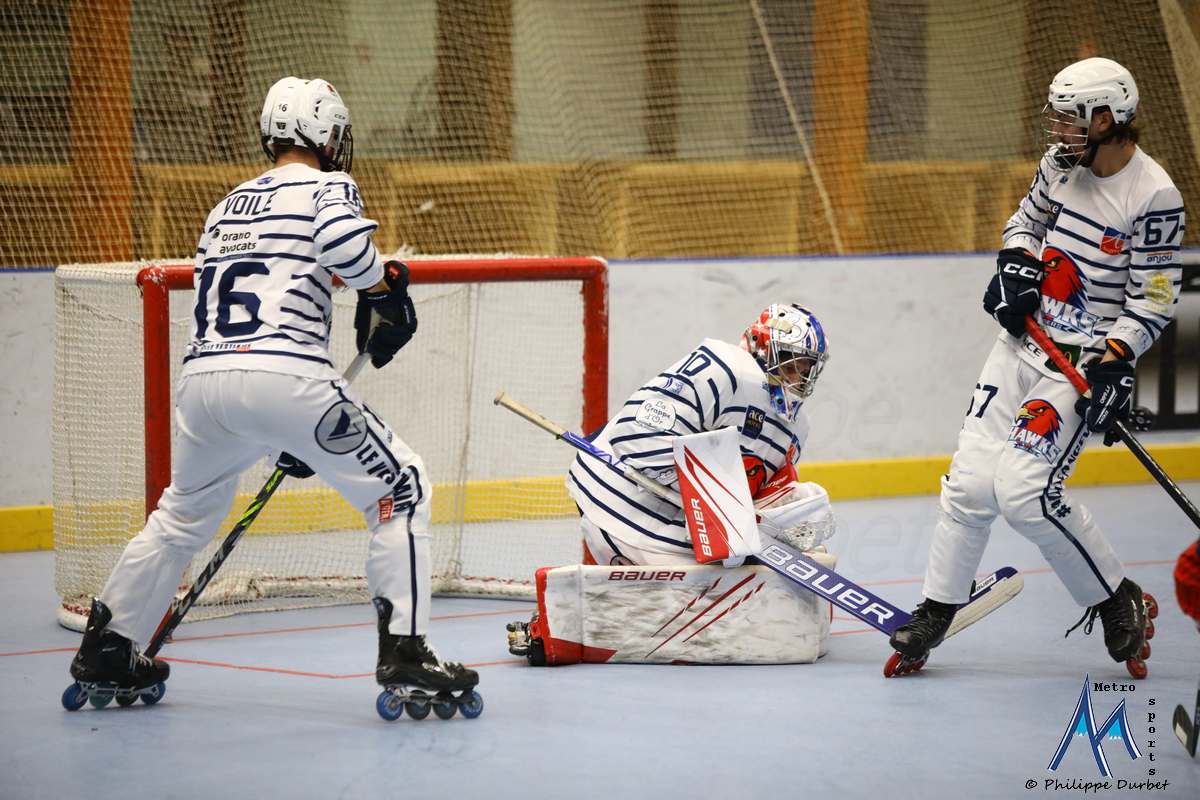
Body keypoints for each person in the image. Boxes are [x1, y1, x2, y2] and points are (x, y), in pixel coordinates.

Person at [66, 77, 479, 711]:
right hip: (286, 379)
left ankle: (109, 648)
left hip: (204, 385)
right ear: (326, 135)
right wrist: (381, 291)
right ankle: (406, 652)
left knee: (180, 517)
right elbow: (346, 247)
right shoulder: (327, 187)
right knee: (403, 488)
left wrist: (294, 430)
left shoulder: (226, 205)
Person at [889, 58, 1184, 676]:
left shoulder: (1154, 195)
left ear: (1105, 119)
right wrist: (1016, 267)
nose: (1059, 130)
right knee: (970, 485)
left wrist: (1116, 362)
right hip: (1020, 345)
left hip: (1076, 367)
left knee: (1025, 497)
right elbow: (1024, 225)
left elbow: (1154, 299)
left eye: (1070, 118)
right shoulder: (1060, 164)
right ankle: (938, 607)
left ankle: (1115, 596)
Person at [567, 303, 834, 567]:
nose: (797, 379)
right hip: (617, 502)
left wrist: (779, 514)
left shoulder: (797, 428)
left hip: (674, 527)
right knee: (740, 571)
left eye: (805, 370)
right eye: (790, 365)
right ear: (761, 348)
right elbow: (634, 436)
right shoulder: (728, 369)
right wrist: (711, 500)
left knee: (807, 514)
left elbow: (752, 500)